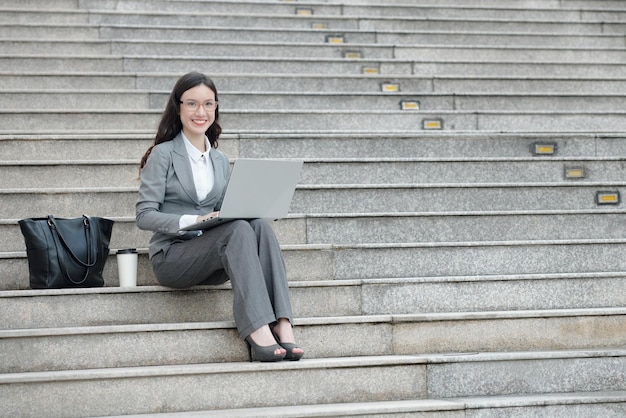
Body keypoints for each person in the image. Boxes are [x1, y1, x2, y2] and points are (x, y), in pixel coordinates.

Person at [136, 71, 304, 362]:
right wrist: (191, 221)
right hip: (173, 256)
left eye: (208, 104)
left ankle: (283, 323)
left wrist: (261, 206)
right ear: (178, 108)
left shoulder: (219, 160)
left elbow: (229, 212)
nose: (201, 112)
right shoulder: (163, 155)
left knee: (257, 226)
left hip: (213, 256)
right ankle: (257, 328)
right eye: (192, 104)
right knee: (237, 230)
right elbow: (144, 215)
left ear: (216, 108)